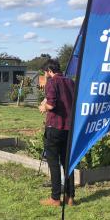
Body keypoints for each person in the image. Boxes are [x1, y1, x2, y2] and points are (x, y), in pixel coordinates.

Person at [39, 59, 76, 207]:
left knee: (53, 163)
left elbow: (51, 104)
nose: (45, 75)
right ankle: (70, 197)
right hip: (69, 128)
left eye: (45, 72)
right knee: (68, 163)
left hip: (55, 127)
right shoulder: (70, 82)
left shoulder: (52, 82)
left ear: (49, 70)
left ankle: (55, 198)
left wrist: (43, 107)